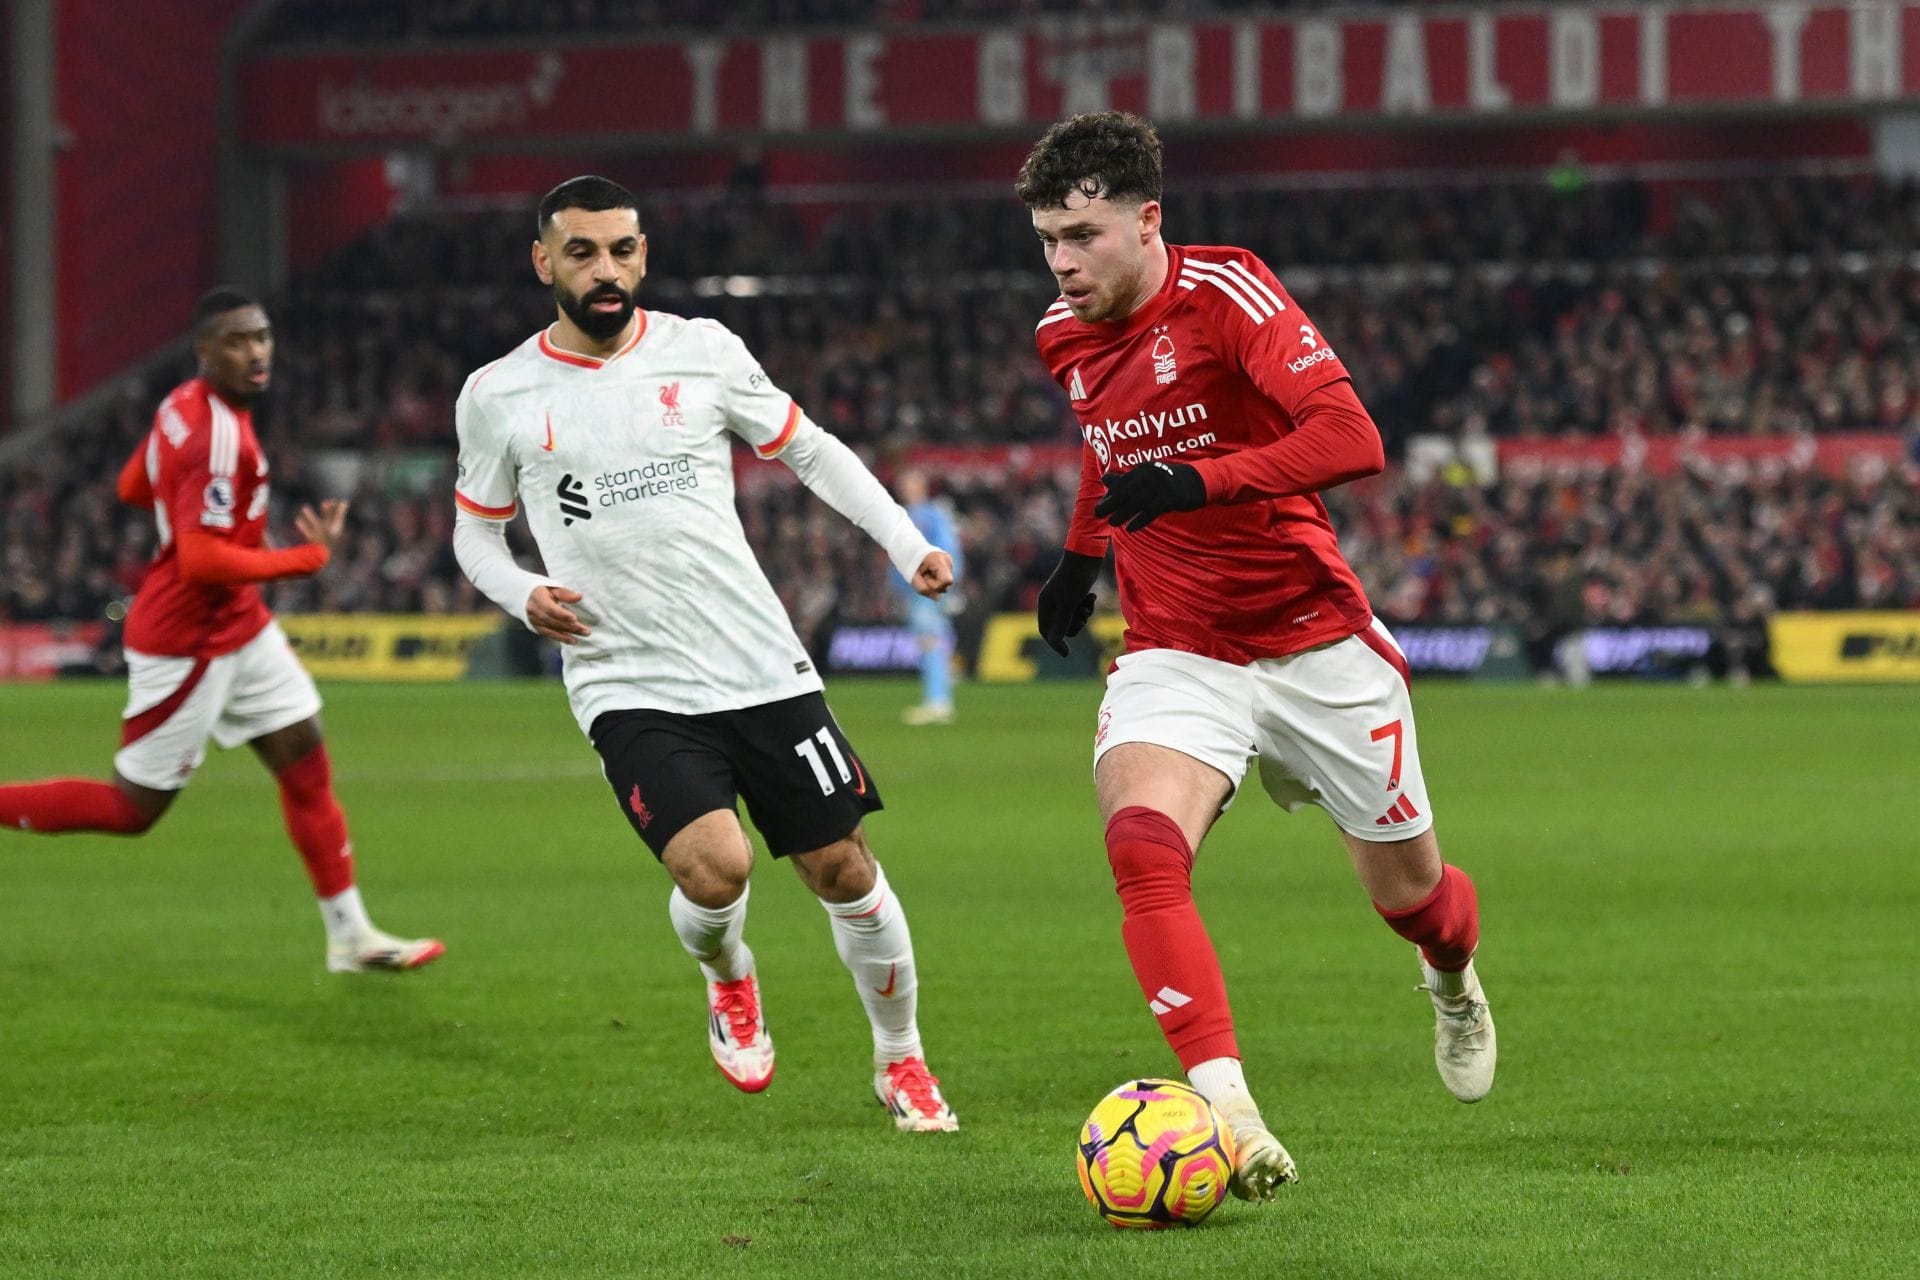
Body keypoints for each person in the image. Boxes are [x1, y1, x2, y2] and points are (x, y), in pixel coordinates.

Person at [1019, 113, 1495, 1199]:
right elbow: (1108, 441)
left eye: (1083, 236)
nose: (1062, 263)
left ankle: (1453, 977)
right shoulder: (1062, 332)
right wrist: (1080, 558)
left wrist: (1202, 481)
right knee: (1142, 846)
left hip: (1311, 641)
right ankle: (1228, 1112)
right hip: (1179, 647)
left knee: (1415, 898)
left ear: (1148, 221)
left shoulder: (1228, 293)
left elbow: (1354, 439)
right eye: (1047, 240)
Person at [451, 176, 958, 1131]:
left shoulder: (705, 350)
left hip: (758, 661)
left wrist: (904, 542)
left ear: (644, 254)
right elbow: (474, 533)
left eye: (623, 250)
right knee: (716, 868)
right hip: (626, 675)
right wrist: (521, 593)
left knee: (844, 870)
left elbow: (811, 451)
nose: (606, 270)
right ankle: (728, 972)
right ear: (544, 262)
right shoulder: (497, 393)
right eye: (583, 252)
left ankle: (902, 1060)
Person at [0, 289, 446, 975]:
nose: (256, 352)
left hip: (241, 627)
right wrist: (305, 559)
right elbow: (202, 561)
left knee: (304, 758)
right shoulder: (216, 438)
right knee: (131, 809)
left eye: (261, 337)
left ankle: (352, 937)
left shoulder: (181, 405)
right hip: (189, 639)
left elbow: (131, 486)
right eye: (236, 341)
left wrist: (212, 517)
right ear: (206, 352)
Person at [891, 469, 964, 725]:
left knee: (929, 640)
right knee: (931, 641)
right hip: (916, 590)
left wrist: (945, 582)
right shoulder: (907, 515)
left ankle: (937, 701)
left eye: (910, 483)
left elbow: (949, 548)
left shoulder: (930, 515)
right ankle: (940, 692)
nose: (905, 488)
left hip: (928, 588)